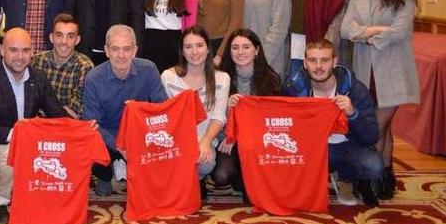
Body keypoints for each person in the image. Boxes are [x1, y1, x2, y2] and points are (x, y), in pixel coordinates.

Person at [341, 0, 420, 199]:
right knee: (383, 129)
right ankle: (385, 176)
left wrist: (365, 34)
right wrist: (375, 29)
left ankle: (367, 177)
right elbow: (345, 29)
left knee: (377, 126)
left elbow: (399, 31)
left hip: (393, 72)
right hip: (365, 71)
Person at [0, 28, 68, 222]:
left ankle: (45, 195)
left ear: (32, 52)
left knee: (59, 146)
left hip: (27, 144)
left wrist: (81, 129)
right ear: (2, 50)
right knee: (11, 156)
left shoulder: (38, 77)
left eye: (25, 50)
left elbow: (57, 115)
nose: (20, 57)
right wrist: (17, 135)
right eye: (13, 50)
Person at [283, 39, 382, 207]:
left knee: (373, 165)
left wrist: (353, 113)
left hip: (345, 147)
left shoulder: (355, 89)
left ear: (334, 62)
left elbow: (371, 137)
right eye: (313, 60)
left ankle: (346, 178)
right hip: (310, 150)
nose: (318, 66)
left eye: (325, 60)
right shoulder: (294, 88)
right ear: (305, 63)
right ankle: (315, 179)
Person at [83, 24, 168, 196]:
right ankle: (106, 176)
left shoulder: (149, 69)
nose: (121, 56)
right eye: (115, 49)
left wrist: (140, 109)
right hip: (109, 137)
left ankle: (134, 171)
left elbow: (163, 108)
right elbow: (91, 122)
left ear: (135, 50)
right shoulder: (93, 78)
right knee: (88, 144)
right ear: (106, 51)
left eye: (127, 49)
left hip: (141, 135)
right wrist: (120, 147)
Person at [161, 26, 230, 199]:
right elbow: (163, 115)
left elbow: (219, 116)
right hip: (175, 140)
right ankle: (181, 180)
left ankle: (197, 179)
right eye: (188, 46)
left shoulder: (222, 78)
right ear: (182, 51)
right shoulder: (168, 77)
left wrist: (206, 142)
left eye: (199, 45)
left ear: (208, 49)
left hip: (204, 138)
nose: (194, 51)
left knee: (205, 163)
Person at [215, 28, 282, 195]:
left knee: (249, 191)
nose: (240, 52)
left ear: (257, 50)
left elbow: (273, 121)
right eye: (235, 47)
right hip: (229, 140)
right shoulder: (220, 78)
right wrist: (228, 109)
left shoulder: (270, 79)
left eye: (246, 47)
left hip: (258, 141)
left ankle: (247, 177)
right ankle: (242, 174)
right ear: (229, 51)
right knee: (221, 175)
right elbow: (214, 119)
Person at [30, 13, 95, 118]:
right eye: (59, 35)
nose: (64, 42)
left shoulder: (84, 66)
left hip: (67, 125)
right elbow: (29, 101)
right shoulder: (36, 61)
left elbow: (75, 112)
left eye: (70, 36)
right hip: (38, 122)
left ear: (77, 40)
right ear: (51, 38)